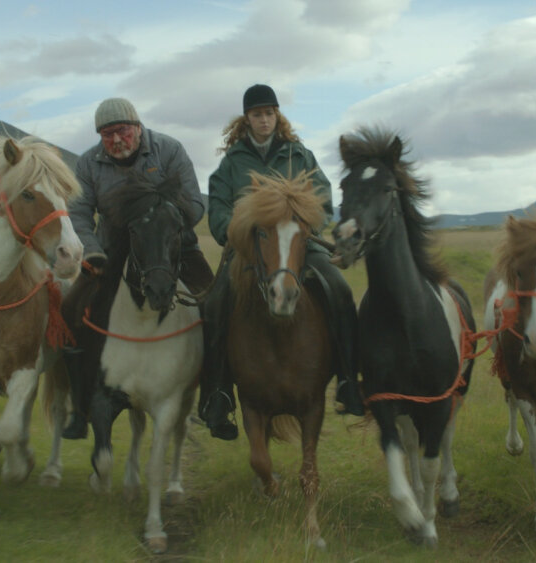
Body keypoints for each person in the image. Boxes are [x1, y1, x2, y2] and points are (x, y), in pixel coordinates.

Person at [200, 84, 364, 441]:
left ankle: (349, 381)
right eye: (257, 114)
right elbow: (218, 206)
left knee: (338, 289)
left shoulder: (298, 155)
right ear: (247, 119)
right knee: (215, 303)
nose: (264, 120)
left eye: (269, 113)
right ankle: (218, 393)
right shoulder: (232, 163)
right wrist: (236, 230)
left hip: (298, 245)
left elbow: (322, 199)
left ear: (277, 116)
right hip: (251, 249)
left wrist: (306, 224)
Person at [61, 97, 214, 439]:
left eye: (122, 131)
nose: (116, 140)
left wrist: (162, 220)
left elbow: (194, 203)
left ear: (137, 127)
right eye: (107, 134)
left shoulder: (169, 150)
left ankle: (213, 397)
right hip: (112, 250)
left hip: (172, 246)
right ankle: (80, 406)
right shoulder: (87, 164)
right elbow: (79, 212)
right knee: (72, 308)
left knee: (216, 304)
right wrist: (93, 252)